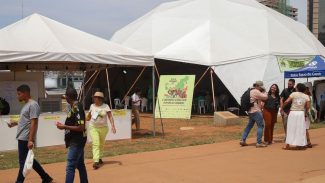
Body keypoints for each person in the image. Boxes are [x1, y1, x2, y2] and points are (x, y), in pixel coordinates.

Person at [7, 84, 53, 183]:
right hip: (22, 137)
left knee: (23, 162)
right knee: (29, 160)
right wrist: (14, 123)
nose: (17, 96)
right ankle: (46, 178)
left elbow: (34, 122)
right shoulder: (26, 105)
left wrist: (31, 139)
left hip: (26, 138)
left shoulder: (33, 105)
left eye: (19, 94)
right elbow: (25, 121)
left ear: (26, 93)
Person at [56, 87, 88, 183]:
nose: (65, 97)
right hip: (77, 140)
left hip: (77, 141)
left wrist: (65, 126)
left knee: (70, 166)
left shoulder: (77, 107)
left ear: (68, 97)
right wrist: (64, 126)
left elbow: (81, 127)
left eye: (65, 96)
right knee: (80, 164)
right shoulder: (74, 106)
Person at [86, 92, 116, 169]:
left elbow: (110, 117)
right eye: (94, 97)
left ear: (100, 99)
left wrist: (113, 126)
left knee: (101, 144)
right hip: (93, 127)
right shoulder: (92, 106)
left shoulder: (106, 106)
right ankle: (96, 161)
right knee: (96, 143)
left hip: (103, 128)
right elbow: (88, 117)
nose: (94, 99)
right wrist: (84, 118)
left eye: (96, 97)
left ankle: (99, 158)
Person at [240, 81, 268, 148]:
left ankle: (242, 140)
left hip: (250, 111)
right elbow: (265, 97)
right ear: (258, 86)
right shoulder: (256, 91)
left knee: (249, 126)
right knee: (260, 126)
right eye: (261, 87)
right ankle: (258, 142)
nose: (261, 88)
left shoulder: (250, 90)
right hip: (256, 111)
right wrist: (264, 92)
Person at [282, 83, 309, 150]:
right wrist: (305, 113)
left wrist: (282, 107)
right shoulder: (306, 96)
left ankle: (287, 145)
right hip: (301, 113)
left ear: (297, 88)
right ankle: (299, 144)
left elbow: (286, 101)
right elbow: (307, 107)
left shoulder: (293, 94)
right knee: (300, 129)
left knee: (291, 128)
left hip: (293, 112)